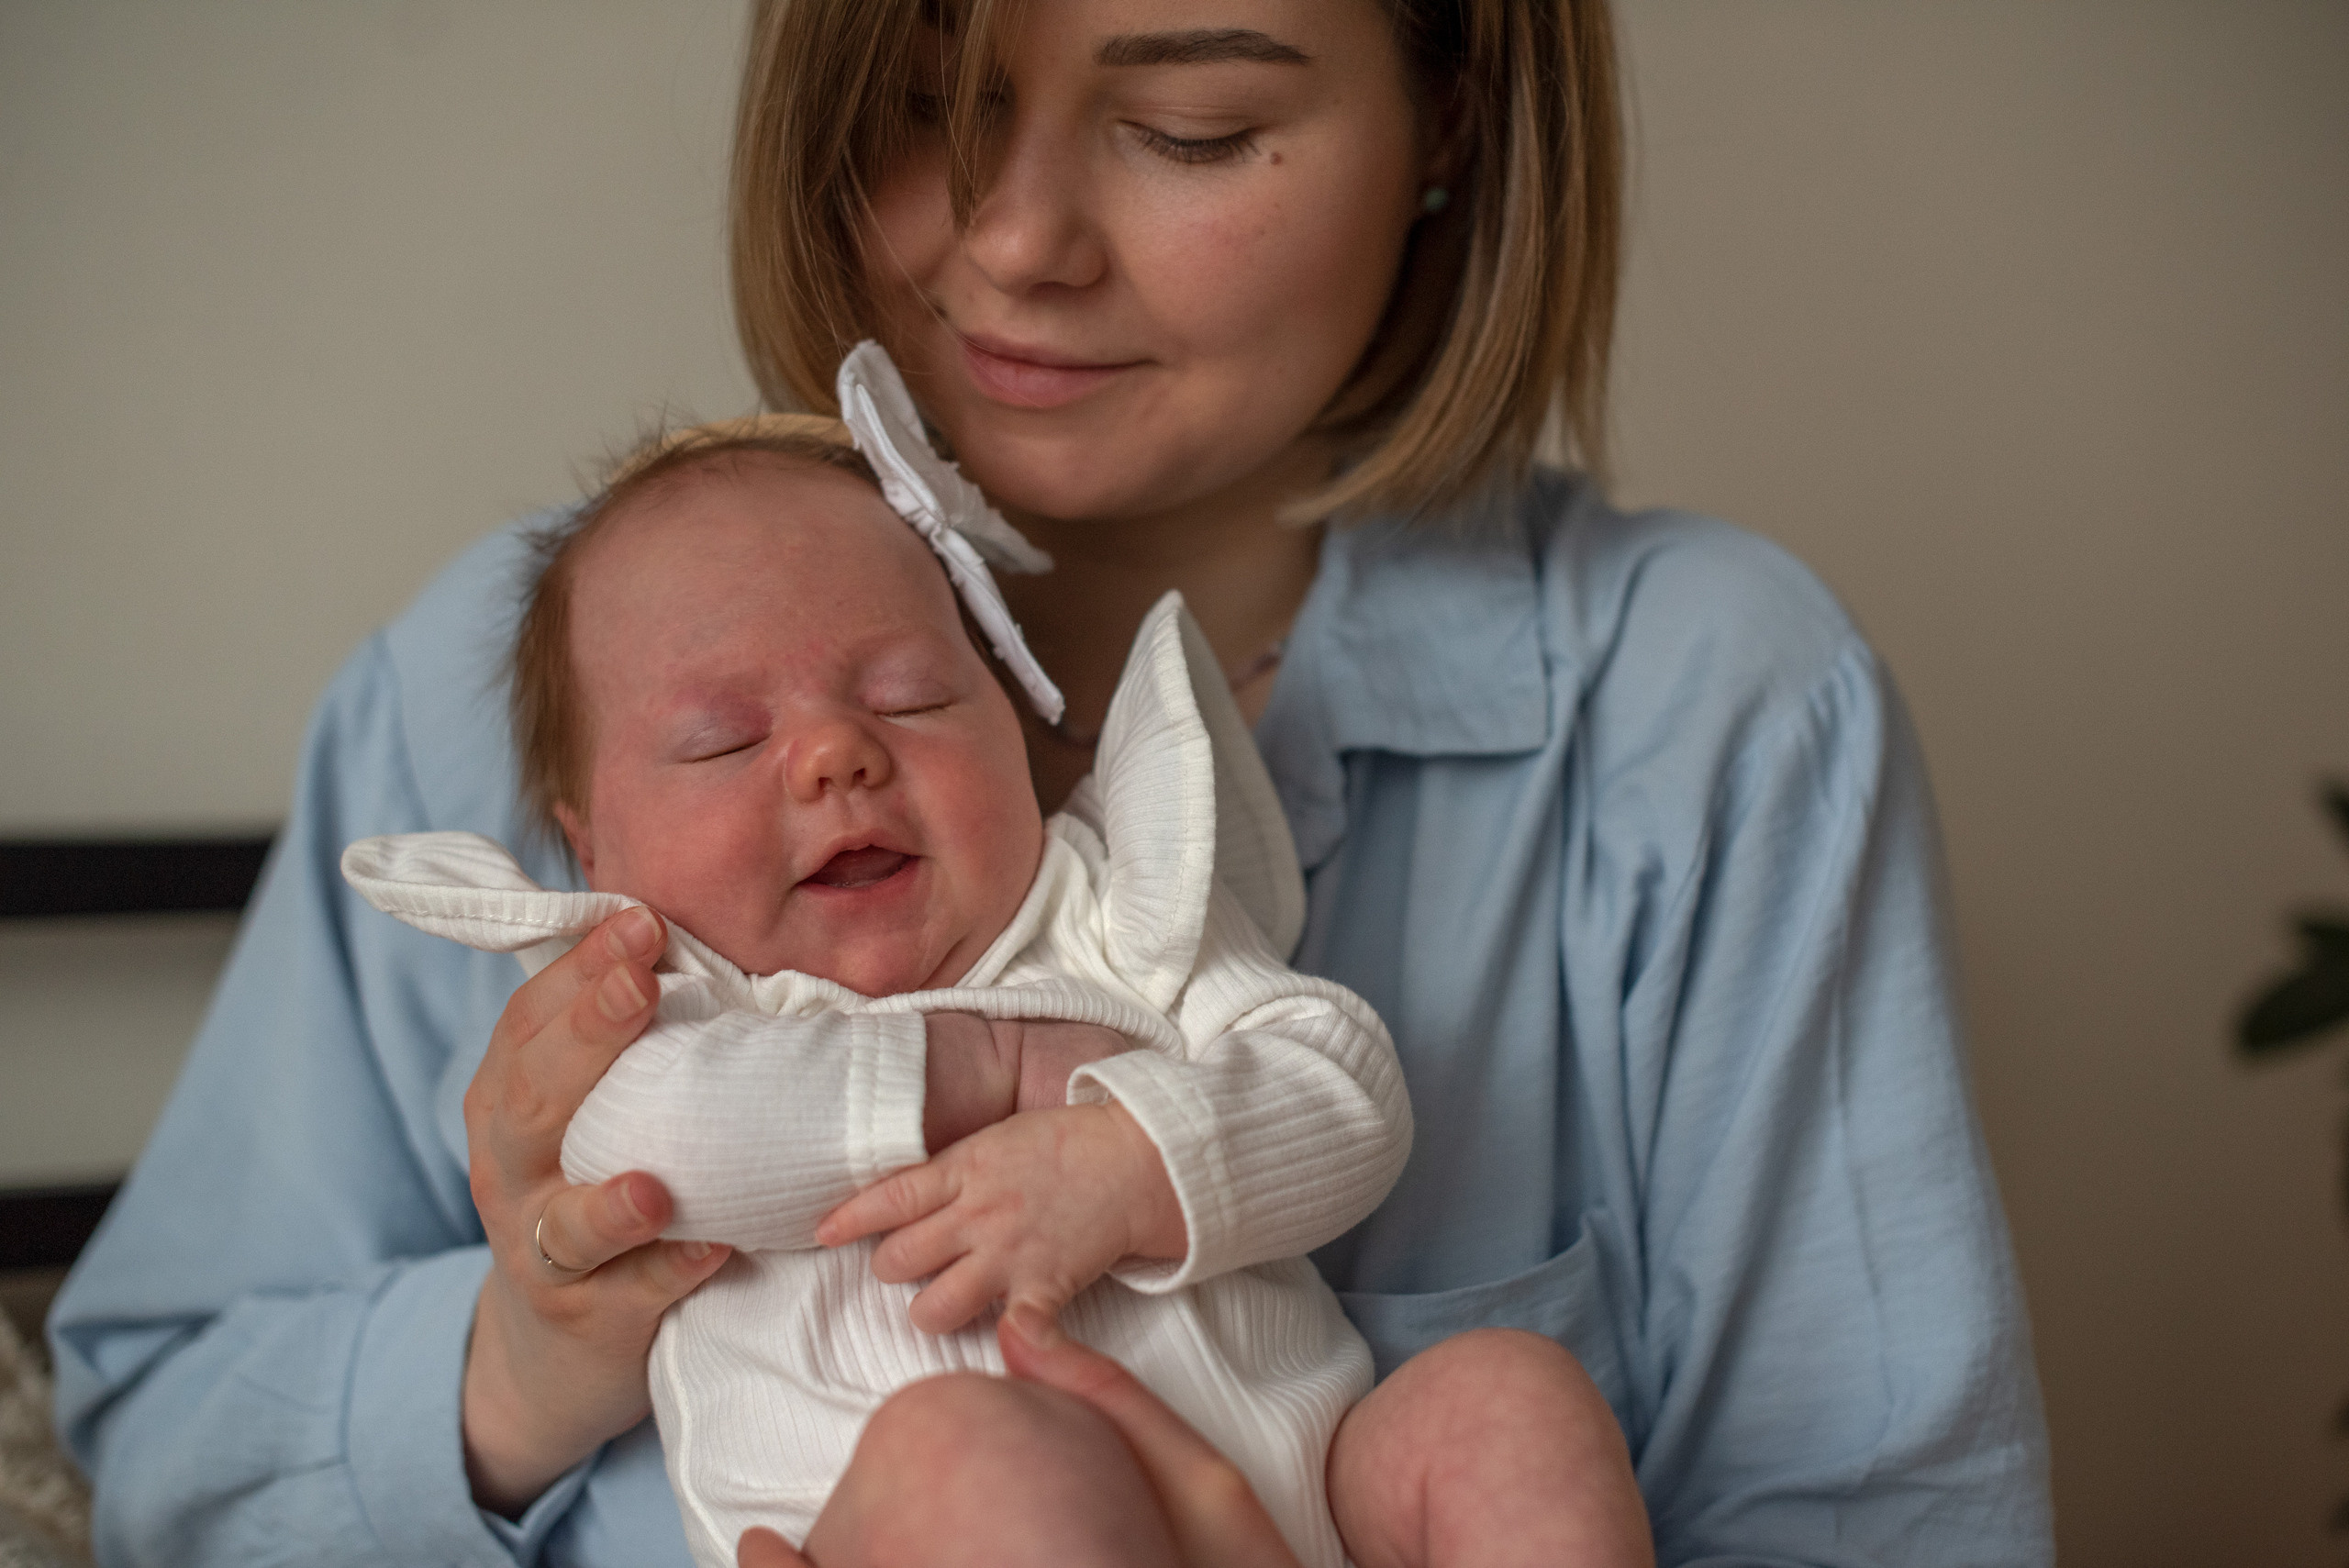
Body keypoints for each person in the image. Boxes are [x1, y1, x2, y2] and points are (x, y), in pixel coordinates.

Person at [49, 1, 2055, 1564]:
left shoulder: (1707, 711)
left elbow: (1886, 1516)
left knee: (1506, 1407)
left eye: (1191, 129)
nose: (1013, 244)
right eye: (928, 102)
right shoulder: (491, 685)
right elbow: (158, 1448)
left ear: (1448, 117)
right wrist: (521, 1368)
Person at [340, 390, 1646, 1567]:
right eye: (723, 740)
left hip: (1313, 1513)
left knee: (1503, 1402)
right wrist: (983, 1064)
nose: (835, 755)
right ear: (593, 848)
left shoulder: (1111, 913)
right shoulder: (652, 999)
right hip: (936, 1516)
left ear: (1020, 734)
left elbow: (1343, 1085)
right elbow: (667, 1150)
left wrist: (1134, 1162)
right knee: (974, 1448)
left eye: (912, 698)